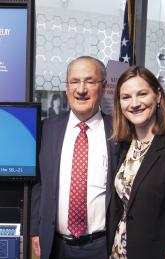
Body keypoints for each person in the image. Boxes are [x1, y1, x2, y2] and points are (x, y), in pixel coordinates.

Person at [107, 66, 165, 259]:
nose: (134, 103)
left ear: (157, 96)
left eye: (142, 94)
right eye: (126, 97)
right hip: (120, 251)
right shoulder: (126, 145)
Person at [30, 56, 119, 259]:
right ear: (67, 86)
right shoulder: (47, 129)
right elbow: (39, 183)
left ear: (104, 86)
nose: (81, 89)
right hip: (55, 245)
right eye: (74, 81)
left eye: (89, 81)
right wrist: (36, 229)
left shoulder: (118, 132)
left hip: (102, 246)